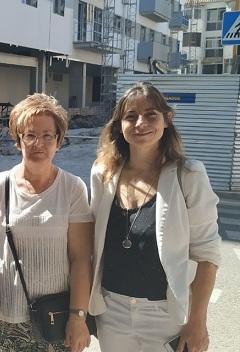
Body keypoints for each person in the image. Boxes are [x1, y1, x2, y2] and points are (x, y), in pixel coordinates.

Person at [88, 82, 221, 352]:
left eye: (151, 114)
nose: (140, 123)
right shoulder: (103, 174)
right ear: (119, 125)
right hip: (111, 313)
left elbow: (207, 255)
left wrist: (197, 322)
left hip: (166, 316)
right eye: (130, 116)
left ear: (166, 120)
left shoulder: (189, 176)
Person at [0, 93, 94, 352]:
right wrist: (2, 275)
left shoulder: (73, 188)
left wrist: (78, 316)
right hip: (11, 317)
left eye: (47, 136)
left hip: (58, 314)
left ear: (59, 141)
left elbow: (80, 258)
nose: (38, 143)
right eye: (29, 135)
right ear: (18, 140)